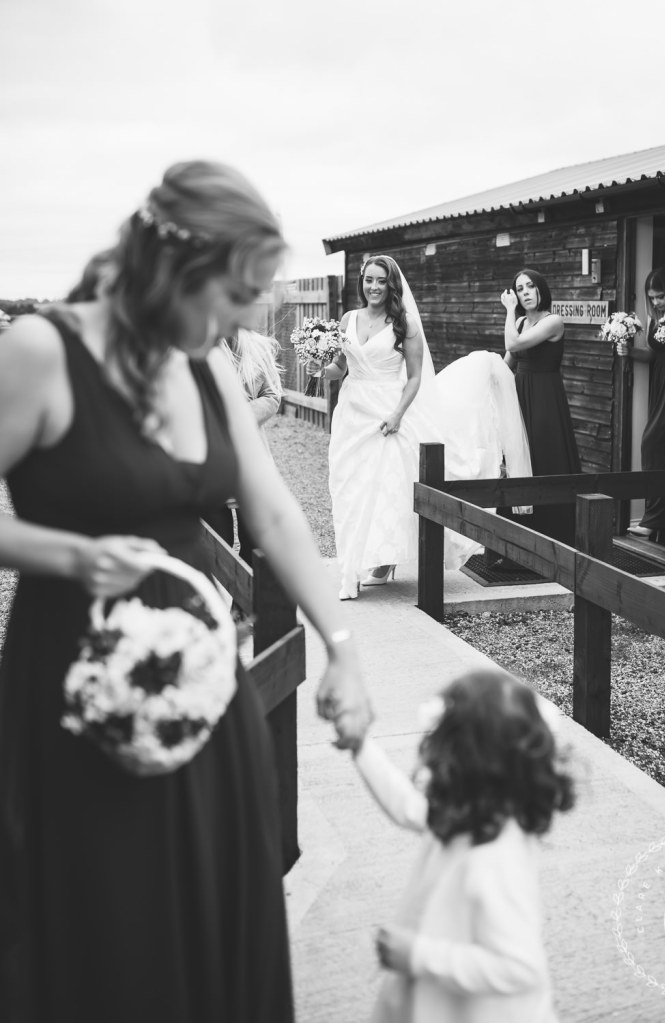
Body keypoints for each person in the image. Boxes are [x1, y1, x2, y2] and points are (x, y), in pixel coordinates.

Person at [0, 160, 371, 1023]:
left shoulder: (204, 368)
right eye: (234, 295)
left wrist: (343, 648)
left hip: (203, 680)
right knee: (110, 918)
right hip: (77, 683)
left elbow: (273, 514)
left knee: (214, 899)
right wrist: (65, 553)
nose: (242, 319)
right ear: (177, 267)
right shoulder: (42, 352)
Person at [351, 667, 574, 1022]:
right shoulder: (468, 815)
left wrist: (418, 955)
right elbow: (406, 806)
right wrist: (360, 747)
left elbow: (520, 967)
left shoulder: (495, 858)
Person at [308, 255, 531, 601]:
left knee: (383, 488)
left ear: (391, 285)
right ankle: (353, 563)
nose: (374, 287)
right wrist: (319, 370)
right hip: (352, 414)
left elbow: (414, 378)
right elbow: (341, 367)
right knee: (349, 487)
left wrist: (398, 414)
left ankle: (373, 564)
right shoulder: (349, 319)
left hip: (389, 414)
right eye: (369, 280)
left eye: (381, 281)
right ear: (361, 282)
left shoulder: (405, 324)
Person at [491, 269, 581, 569]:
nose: (525, 292)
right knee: (516, 464)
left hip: (544, 398)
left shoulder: (553, 321)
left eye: (530, 286)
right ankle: (515, 548)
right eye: (519, 289)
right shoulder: (519, 323)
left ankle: (553, 544)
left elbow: (514, 345)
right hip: (519, 397)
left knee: (542, 459)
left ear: (541, 289)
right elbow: (508, 362)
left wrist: (509, 310)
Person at [616, 265, 665, 546]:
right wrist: (629, 351)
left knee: (653, 442)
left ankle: (653, 520)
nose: (656, 302)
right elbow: (652, 354)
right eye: (651, 298)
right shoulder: (655, 317)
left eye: (660, 296)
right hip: (660, 384)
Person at [204, 328, 282, 565]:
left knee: (257, 549)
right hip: (210, 462)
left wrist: (235, 418)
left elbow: (272, 396)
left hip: (251, 458)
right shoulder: (193, 347)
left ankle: (251, 590)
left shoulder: (258, 348)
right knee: (215, 549)